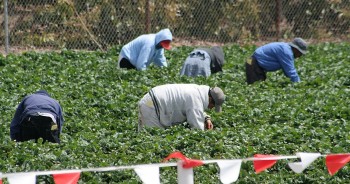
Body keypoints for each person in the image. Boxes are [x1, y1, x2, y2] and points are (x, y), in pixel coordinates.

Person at [138, 84, 225, 131]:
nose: (212, 108)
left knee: (149, 135)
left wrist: (206, 118)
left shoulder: (198, 92)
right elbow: (197, 129)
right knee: (151, 136)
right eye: (213, 105)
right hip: (152, 104)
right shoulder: (195, 98)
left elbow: (195, 108)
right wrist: (207, 136)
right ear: (210, 99)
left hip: (152, 100)